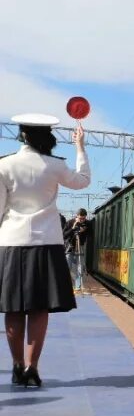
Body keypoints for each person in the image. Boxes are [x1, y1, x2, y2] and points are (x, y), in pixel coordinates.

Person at [0, 115, 90, 387]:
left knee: (13, 309)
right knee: (39, 310)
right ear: (46, 137)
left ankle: (16, 366)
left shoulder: (4, 165)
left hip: (11, 244)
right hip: (46, 244)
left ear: (22, 135)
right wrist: (80, 147)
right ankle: (32, 368)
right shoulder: (55, 166)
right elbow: (83, 180)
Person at [63, 208, 92, 291]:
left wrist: (84, 232)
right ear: (76, 216)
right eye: (80, 218)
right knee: (68, 267)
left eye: (83, 218)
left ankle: (78, 286)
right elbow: (64, 235)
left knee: (80, 267)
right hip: (70, 247)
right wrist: (73, 228)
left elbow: (91, 235)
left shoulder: (88, 224)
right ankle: (67, 285)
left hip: (81, 247)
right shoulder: (70, 222)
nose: (82, 220)